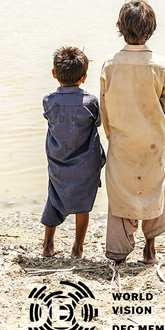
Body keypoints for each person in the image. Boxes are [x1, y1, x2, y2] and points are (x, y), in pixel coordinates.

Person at [100, 0, 165, 265]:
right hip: (153, 143)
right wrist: (156, 131)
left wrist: (114, 135)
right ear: (152, 29)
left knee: (120, 193)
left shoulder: (110, 64)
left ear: (120, 27)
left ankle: (119, 253)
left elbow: (105, 107)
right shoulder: (160, 65)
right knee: (155, 190)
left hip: (122, 141)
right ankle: (150, 248)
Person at [41, 46, 105, 258]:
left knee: (54, 197)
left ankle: (48, 245)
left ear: (54, 73)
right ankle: (77, 248)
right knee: (83, 203)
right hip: (85, 163)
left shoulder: (49, 101)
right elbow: (97, 123)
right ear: (85, 77)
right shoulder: (91, 101)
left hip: (58, 160)